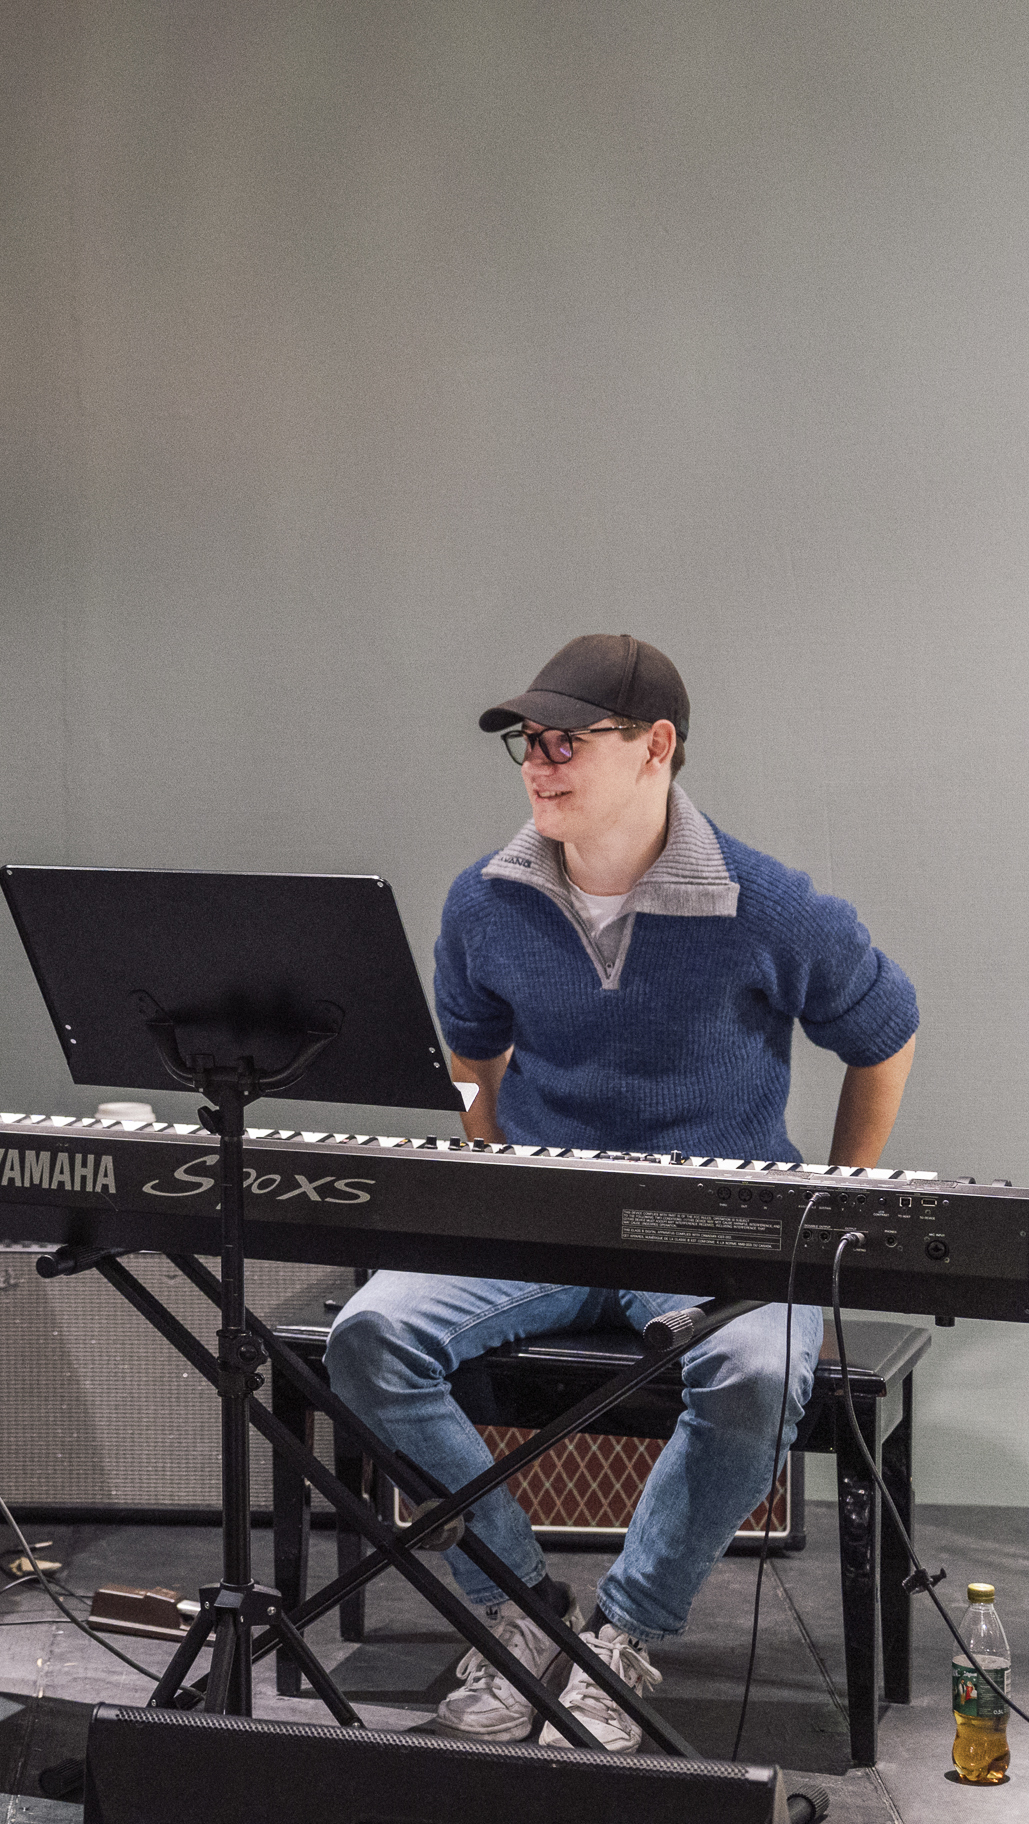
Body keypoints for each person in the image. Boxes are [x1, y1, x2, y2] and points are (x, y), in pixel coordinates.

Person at [325, 634, 919, 1751]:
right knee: (368, 1337)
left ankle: (623, 1636)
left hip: (718, 1232)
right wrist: (500, 1166)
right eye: (522, 744)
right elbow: (471, 1055)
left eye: (563, 741)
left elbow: (881, 1034)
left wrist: (839, 1201)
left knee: (750, 1370)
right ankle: (520, 1619)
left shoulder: (768, 906)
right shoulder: (485, 902)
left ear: (655, 748)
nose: (535, 765)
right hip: (544, 1221)